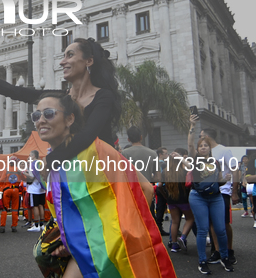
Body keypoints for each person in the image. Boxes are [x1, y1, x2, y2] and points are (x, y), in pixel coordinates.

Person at [33, 92, 171, 277]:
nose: (41, 120)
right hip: (80, 252)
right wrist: (65, 243)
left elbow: (145, 189)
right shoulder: (50, 164)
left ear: (69, 119)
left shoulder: (96, 151)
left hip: (108, 255)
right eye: (36, 116)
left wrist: (110, 240)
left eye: (49, 113)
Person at [0, 37, 121, 163]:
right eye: (63, 55)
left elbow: (87, 136)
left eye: (70, 55)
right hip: (75, 173)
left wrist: (49, 161)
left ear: (89, 61)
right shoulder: (62, 98)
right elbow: (14, 91)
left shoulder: (103, 96)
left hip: (103, 170)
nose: (62, 62)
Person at [188, 115, 239, 265]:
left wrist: (234, 190)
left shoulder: (223, 151)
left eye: (202, 137)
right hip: (202, 194)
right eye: (200, 143)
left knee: (223, 224)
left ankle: (228, 251)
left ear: (207, 138)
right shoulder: (198, 155)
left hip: (221, 192)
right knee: (209, 225)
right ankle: (216, 252)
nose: (201, 142)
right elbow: (190, 146)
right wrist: (191, 126)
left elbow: (234, 170)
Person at [184, 136, 234, 273]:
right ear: (198, 149)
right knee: (202, 229)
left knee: (221, 229)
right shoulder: (196, 160)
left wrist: (225, 179)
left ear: (209, 148)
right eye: (201, 146)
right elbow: (190, 145)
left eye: (206, 145)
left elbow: (218, 181)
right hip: (198, 197)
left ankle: (224, 257)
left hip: (216, 197)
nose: (203, 147)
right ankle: (202, 261)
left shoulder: (216, 163)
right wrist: (192, 127)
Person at [158, 151, 195, 253]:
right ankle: (183, 237)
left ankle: (174, 245)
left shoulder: (165, 172)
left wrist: (165, 195)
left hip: (171, 200)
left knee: (174, 222)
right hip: (184, 199)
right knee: (190, 218)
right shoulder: (183, 171)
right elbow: (193, 168)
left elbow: (160, 185)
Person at [0, 155, 25, 233]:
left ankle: (2, 227)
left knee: (4, 209)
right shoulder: (18, 170)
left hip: (7, 190)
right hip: (15, 190)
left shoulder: (6, 169)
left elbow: (2, 180)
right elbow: (24, 178)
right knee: (15, 209)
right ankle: (14, 226)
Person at [26, 150, 46, 232]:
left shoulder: (32, 164)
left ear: (33, 155)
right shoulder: (40, 163)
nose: (29, 156)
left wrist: (23, 172)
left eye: (30, 155)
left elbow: (31, 177)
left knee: (35, 206)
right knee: (41, 206)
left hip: (34, 188)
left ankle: (36, 225)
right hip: (41, 187)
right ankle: (42, 224)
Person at [154, 147, 169, 235]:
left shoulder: (155, 162)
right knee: (161, 208)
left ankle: (158, 227)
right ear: (160, 154)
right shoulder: (163, 164)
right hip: (162, 186)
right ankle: (159, 227)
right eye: (165, 153)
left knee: (160, 208)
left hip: (158, 186)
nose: (167, 155)